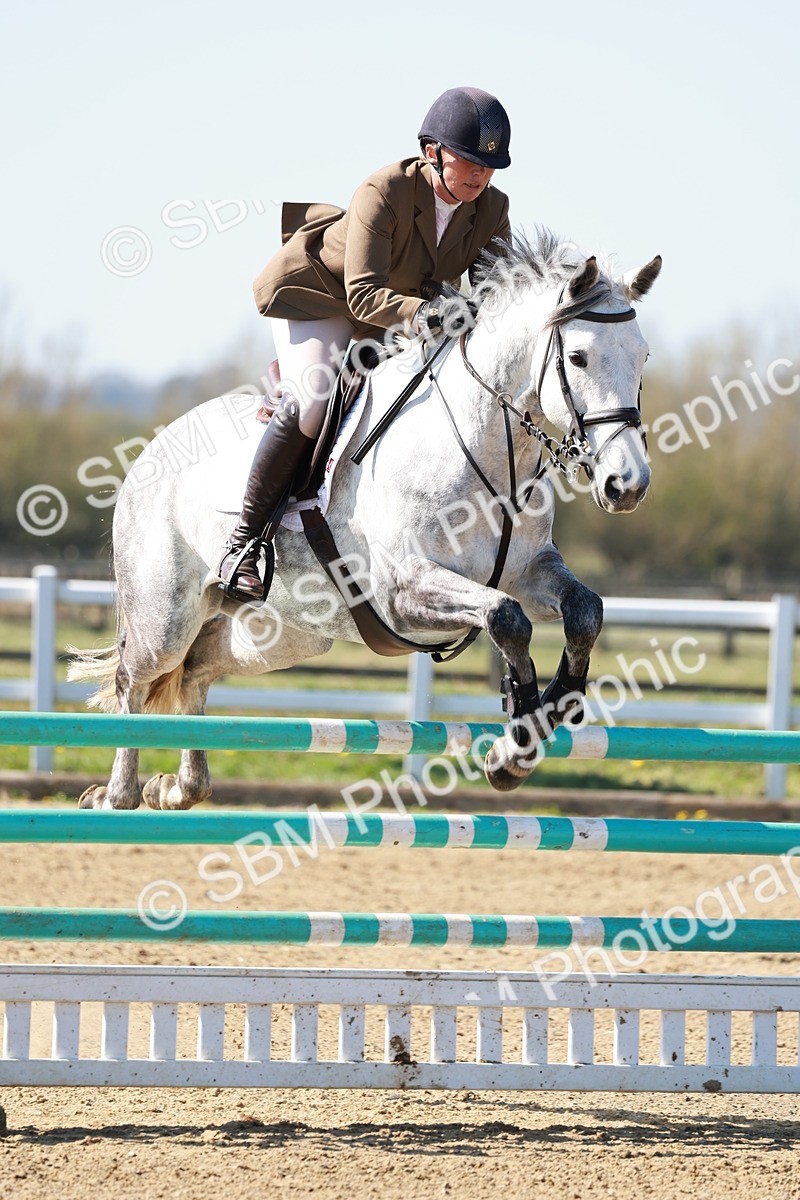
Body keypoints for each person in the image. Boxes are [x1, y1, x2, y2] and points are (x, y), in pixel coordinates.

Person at [218, 86, 512, 603]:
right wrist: (430, 313)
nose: (480, 175)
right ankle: (244, 544)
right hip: (322, 297)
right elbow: (363, 294)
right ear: (432, 152)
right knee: (311, 403)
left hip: (394, 315)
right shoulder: (384, 190)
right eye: (468, 161)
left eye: (489, 167)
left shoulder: (492, 209)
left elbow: (496, 293)